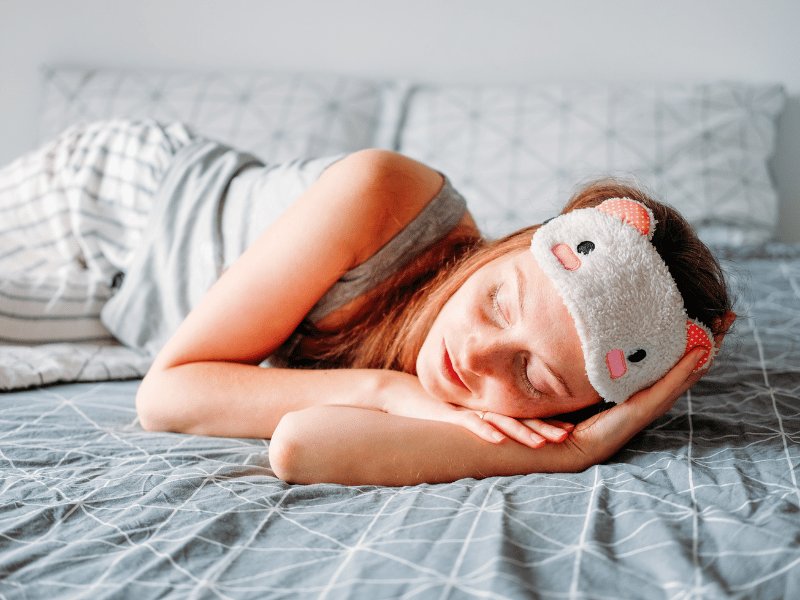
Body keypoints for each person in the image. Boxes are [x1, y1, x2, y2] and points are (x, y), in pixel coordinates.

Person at [1, 120, 734, 486]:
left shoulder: (550, 423)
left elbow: (301, 446)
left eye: (535, 379)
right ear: (515, 245)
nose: (475, 359)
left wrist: (579, 452)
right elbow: (165, 398)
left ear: (568, 409)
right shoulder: (383, 191)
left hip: (131, 307)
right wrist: (393, 389)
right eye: (498, 302)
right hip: (121, 204)